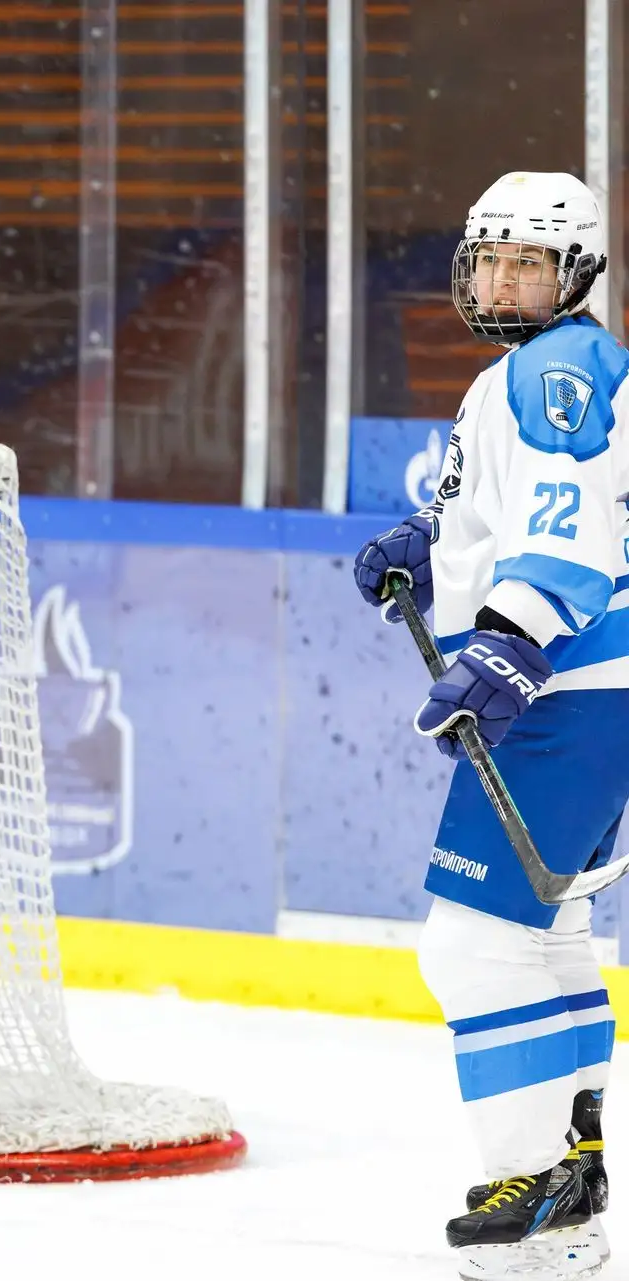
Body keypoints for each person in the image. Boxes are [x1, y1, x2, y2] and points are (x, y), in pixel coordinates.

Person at [353, 170, 628, 1281]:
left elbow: (569, 527)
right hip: (593, 688)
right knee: (546, 939)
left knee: (471, 944)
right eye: (494, 260)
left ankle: (532, 1187)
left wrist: (511, 639)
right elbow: (522, 502)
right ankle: (572, 1189)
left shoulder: (556, 370)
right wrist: (438, 538)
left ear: (578, 272)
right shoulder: (547, 366)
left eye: (532, 262)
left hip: (568, 684)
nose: (507, 280)